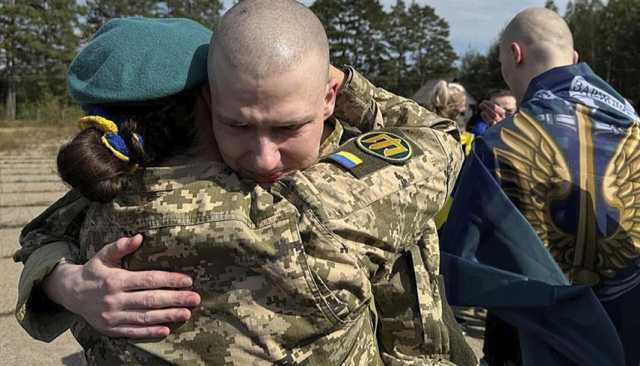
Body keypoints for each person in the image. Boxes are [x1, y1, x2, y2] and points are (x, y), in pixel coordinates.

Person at [16, 2, 473, 365]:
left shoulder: (100, 209)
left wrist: (65, 282)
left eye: (286, 127)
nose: (263, 158)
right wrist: (345, 87)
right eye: (235, 124)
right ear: (206, 103)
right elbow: (441, 138)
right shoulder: (320, 210)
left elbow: (44, 231)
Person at [473, 7, 638, 366]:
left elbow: (468, 255)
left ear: (515, 54)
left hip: (537, 341)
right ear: (574, 58)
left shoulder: (500, 143)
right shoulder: (634, 128)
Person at [423, 80, 474, 155]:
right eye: (463, 104)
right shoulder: (448, 133)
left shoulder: (425, 122)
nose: (465, 109)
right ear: (455, 107)